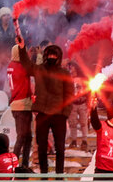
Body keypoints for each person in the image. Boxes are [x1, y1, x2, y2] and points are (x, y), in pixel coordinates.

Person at [20, 38, 73, 175]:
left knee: (60, 148)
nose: (51, 57)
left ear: (59, 57)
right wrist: (21, 48)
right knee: (42, 146)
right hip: (42, 114)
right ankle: (44, 174)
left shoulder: (65, 74)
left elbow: (69, 95)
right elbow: (26, 65)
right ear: (45, 55)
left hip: (59, 116)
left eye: (54, 56)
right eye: (49, 55)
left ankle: (59, 176)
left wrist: (65, 113)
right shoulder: (39, 69)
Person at [5, 44, 34, 168]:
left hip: (18, 104)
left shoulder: (11, 65)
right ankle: (15, 164)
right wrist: (34, 57)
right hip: (22, 104)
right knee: (22, 136)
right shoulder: (21, 66)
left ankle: (24, 165)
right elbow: (33, 70)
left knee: (27, 137)